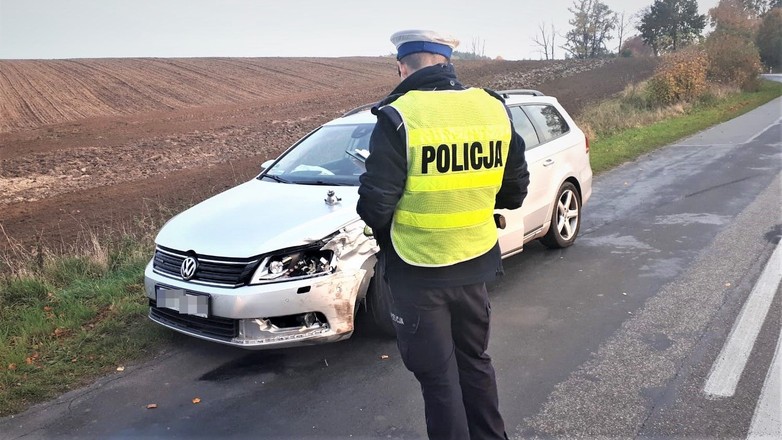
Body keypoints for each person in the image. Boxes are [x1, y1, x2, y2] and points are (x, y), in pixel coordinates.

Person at [357, 29, 530, 439]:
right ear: (448, 62)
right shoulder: (493, 109)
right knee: (475, 363)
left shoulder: (399, 116)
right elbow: (515, 191)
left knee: (438, 379)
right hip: (475, 264)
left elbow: (374, 207)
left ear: (402, 66)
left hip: (418, 271)